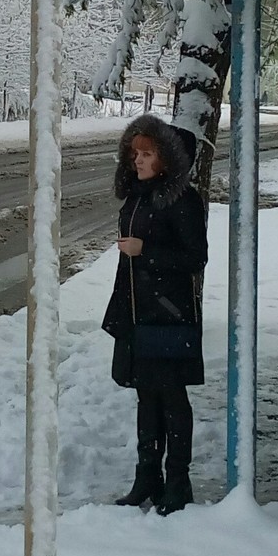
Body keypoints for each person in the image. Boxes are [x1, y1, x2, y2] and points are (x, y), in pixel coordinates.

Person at [102, 113, 209, 514]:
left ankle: (178, 481)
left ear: (167, 158)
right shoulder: (137, 196)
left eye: (147, 154)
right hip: (135, 310)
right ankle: (148, 477)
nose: (138, 161)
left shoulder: (183, 200)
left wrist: (146, 253)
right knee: (146, 397)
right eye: (134, 154)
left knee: (171, 398)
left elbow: (195, 258)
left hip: (167, 313)